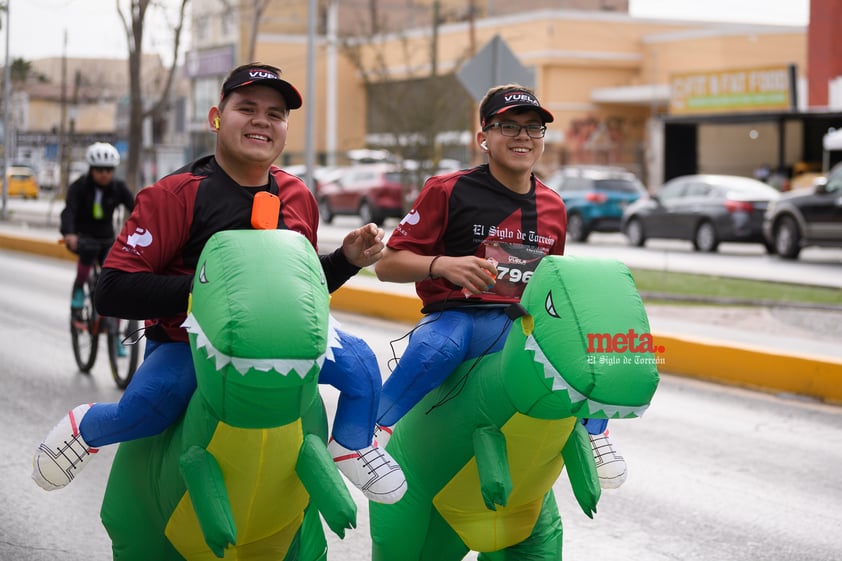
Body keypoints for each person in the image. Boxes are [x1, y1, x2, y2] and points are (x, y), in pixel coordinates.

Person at [33, 62, 406, 504]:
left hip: (282, 341)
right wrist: (207, 293)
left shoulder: (299, 197)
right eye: (246, 108)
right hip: (190, 345)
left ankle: (352, 443)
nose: (261, 121)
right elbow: (111, 288)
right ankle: (88, 427)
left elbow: (301, 291)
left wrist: (345, 261)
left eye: (275, 113)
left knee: (363, 364)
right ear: (216, 116)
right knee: (148, 410)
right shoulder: (174, 196)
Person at [372, 83, 627, 488]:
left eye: (533, 128)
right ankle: (370, 433)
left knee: (589, 345)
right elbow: (387, 265)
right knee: (436, 346)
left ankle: (596, 434)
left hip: (520, 326)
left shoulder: (554, 206)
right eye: (508, 126)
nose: (522, 136)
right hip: (459, 319)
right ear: (483, 138)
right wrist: (444, 265)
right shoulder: (447, 190)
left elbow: (551, 285)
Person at [60, 142, 135, 312]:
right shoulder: (78, 187)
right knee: (88, 253)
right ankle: (79, 288)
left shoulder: (118, 187)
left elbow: (136, 208)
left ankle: (113, 329)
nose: (104, 174)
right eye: (99, 169)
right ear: (91, 169)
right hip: (83, 238)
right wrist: (69, 233)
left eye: (108, 170)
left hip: (107, 238)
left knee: (112, 271)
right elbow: (69, 212)